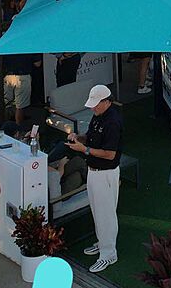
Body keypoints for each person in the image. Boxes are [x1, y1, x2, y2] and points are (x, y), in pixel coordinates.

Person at [65, 85, 123, 273]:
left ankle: (109, 254)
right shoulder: (98, 116)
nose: (92, 108)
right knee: (98, 211)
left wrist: (85, 150)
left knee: (106, 214)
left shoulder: (113, 122)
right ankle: (103, 242)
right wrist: (78, 138)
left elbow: (110, 154)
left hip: (105, 173)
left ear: (106, 102)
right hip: (94, 172)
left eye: (96, 104)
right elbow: (89, 137)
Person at [0, 53, 42, 124]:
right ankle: (18, 127)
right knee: (20, 106)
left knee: (7, 104)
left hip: (8, 76)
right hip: (23, 76)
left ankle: (5, 125)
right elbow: (37, 64)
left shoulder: (6, 46)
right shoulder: (29, 47)